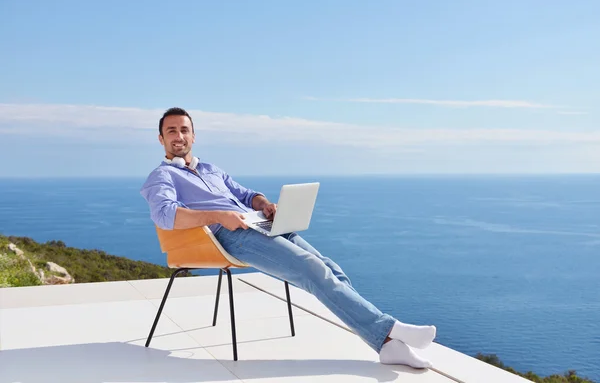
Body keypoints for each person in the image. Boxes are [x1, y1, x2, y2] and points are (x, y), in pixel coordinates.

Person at [140, 107, 437, 368]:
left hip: (256, 225)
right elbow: (165, 215)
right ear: (161, 139)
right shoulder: (162, 176)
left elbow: (244, 194)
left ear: (193, 135)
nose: (178, 135)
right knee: (312, 270)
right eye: (171, 131)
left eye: (184, 130)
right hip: (226, 237)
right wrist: (217, 216)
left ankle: (386, 346)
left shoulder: (210, 168)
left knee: (330, 268)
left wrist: (264, 204)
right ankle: (391, 329)